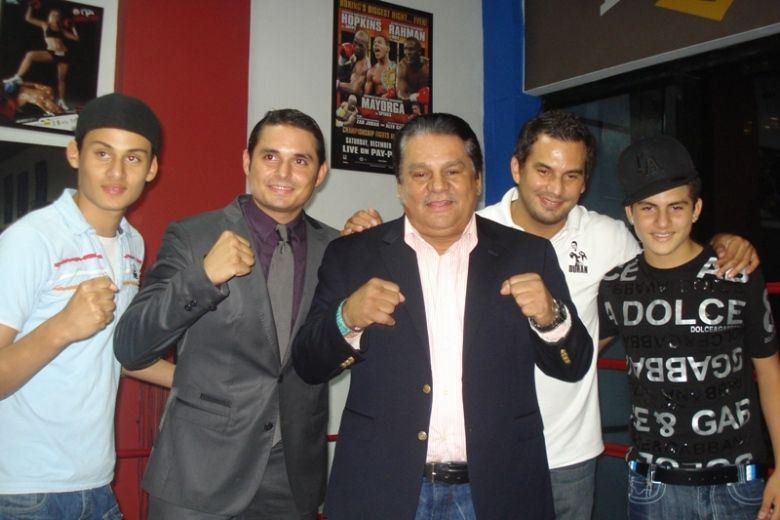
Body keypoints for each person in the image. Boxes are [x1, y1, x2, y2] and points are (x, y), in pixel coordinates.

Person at [341, 109, 759, 520]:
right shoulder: (470, 228)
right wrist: (361, 238)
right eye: (543, 170)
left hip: (569, 454)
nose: (556, 188)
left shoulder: (609, 237)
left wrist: (722, 244)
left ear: (584, 182)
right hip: (489, 456)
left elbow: (666, 254)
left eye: (571, 175)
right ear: (516, 168)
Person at [293, 112, 593, 519]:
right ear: (400, 185)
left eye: (453, 171)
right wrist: (347, 318)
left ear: (477, 180)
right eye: (420, 174)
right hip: (382, 488)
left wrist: (551, 316)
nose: (438, 186)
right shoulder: (353, 254)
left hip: (500, 488)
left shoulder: (529, 254)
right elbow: (308, 364)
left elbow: (573, 366)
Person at [113, 108, 339, 519]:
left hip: (292, 479)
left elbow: (333, 349)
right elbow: (131, 346)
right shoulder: (193, 236)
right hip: (198, 474)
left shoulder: (337, 249)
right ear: (247, 161)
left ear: (320, 173)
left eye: (300, 161)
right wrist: (202, 278)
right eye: (270, 156)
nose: (283, 172)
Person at [0, 92, 173, 519]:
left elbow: (117, 352)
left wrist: (210, 384)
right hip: (23, 491)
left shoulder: (133, 244)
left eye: (133, 158)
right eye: (102, 153)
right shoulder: (31, 240)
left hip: (94, 483)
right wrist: (62, 326)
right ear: (75, 153)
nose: (117, 172)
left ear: (151, 169)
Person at [598, 135, 780, 520]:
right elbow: (574, 355)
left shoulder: (737, 273)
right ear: (630, 213)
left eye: (676, 207)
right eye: (648, 208)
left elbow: (770, 373)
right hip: (653, 488)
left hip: (737, 486)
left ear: (696, 209)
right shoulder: (616, 286)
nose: (662, 222)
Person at [3, 4, 79, 111]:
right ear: (49, 16)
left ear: (59, 18)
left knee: (61, 79)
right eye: (53, 15)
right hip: (52, 52)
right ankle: (18, 77)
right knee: (30, 55)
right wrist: (30, 7)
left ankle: (62, 101)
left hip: (64, 54)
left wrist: (73, 26)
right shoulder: (45, 25)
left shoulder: (61, 30)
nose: (54, 17)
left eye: (57, 16)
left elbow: (76, 38)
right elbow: (28, 18)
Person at [335, 30, 370, 98]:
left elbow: (354, 88)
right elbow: (340, 74)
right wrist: (343, 59)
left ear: (367, 47)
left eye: (360, 45)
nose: (356, 47)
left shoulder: (363, 66)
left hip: (356, 100)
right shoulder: (355, 56)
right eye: (355, 43)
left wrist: (336, 83)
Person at [396, 37, 430, 105]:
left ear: (419, 51)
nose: (408, 53)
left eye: (411, 49)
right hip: (410, 105)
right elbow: (400, 94)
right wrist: (416, 97)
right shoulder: (402, 67)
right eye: (405, 49)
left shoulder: (427, 65)